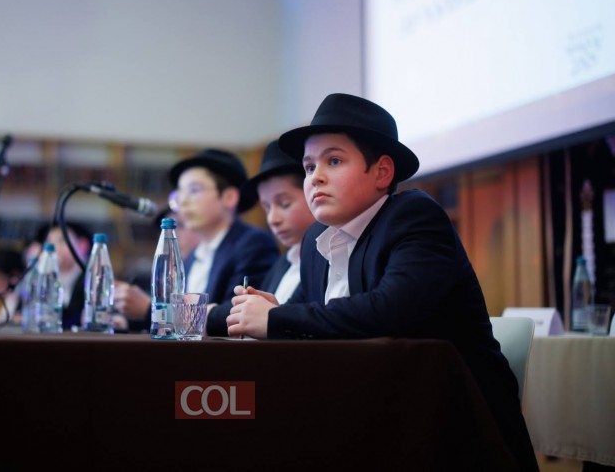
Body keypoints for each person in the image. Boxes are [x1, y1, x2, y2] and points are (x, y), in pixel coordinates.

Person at [225, 93, 538, 471]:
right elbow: (309, 317)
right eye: (308, 167)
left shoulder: (413, 216)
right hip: (366, 418)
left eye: (333, 161)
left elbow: (389, 310)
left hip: (451, 430)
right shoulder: (315, 242)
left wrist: (277, 319)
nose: (315, 177)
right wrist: (269, 311)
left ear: (382, 172)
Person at [114, 148, 278, 336]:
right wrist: (128, 321)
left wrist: (149, 311)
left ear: (229, 197)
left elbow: (236, 315)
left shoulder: (253, 244)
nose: (183, 202)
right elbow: (181, 322)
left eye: (194, 190)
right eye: (179, 193)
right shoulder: (194, 255)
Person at [240, 139, 315, 304]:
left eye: (284, 204)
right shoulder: (282, 264)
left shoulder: (328, 261)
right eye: (266, 208)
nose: (273, 219)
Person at [114, 207, 200, 332]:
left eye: (180, 226)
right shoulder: (174, 268)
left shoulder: (206, 266)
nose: (173, 235)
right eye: (164, 231)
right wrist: (125, 321)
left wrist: (147, 308)